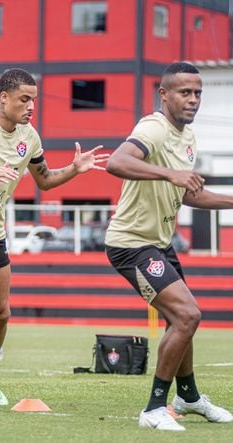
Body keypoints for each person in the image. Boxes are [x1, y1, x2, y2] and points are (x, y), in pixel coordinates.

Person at [0, 68, 108, 411]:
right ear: (4, 98)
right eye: (24, 99)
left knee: (1, 312)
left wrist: (74, 169)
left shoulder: (30, 136)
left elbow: (44, 181)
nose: (31, 106)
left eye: (34, 100)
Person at [105, 62, 233, 431]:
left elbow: (191, 194)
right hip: (131, 244)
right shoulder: (153, 127)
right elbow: (117, 162)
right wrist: (169, 172)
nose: (193, 100)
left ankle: (189, 397)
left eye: (198, 93)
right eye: (185, 92)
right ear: (164, 94)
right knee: (188, 315)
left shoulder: (187, 138)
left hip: (159, 244)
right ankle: (154, 409)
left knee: (182, 321)